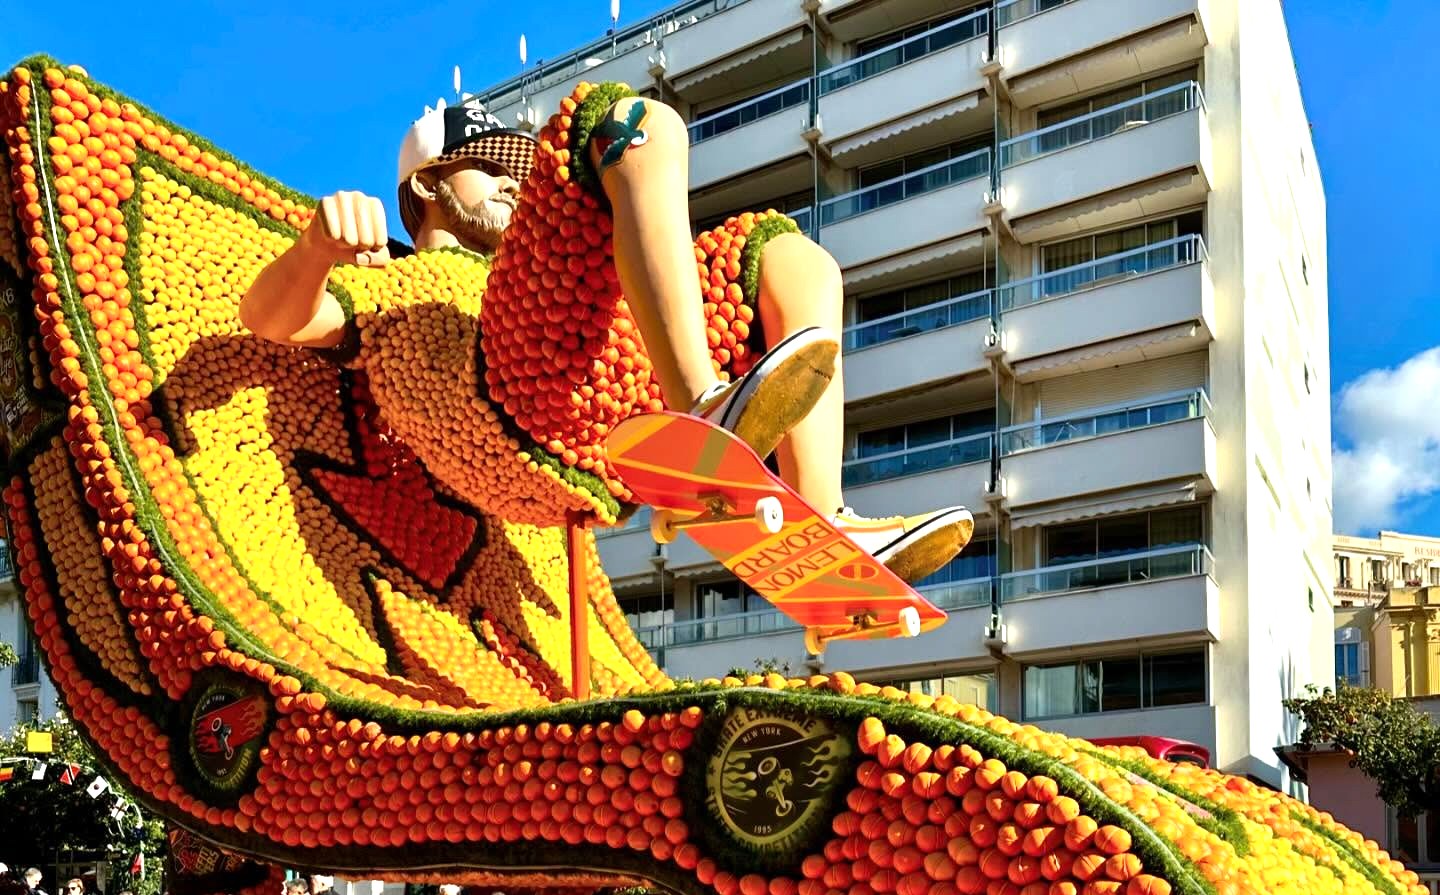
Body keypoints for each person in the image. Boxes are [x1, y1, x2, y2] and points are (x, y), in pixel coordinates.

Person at [238, 91, 970, 583]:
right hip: (504, 401)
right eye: (489, 167)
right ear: (427, 187)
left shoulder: (538, 274)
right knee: (631, 122)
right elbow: (271, 320)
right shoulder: (390, 279)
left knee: (791, 258)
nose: (512, 184)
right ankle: (702, 410)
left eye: (520, 172)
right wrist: (314, 249)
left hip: (600, 415)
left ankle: (823, 522)